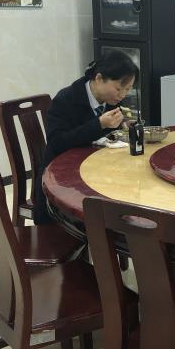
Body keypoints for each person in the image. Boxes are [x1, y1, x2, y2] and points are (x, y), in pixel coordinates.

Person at [33, 50, 139, 224]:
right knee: (108, 219)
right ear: (99, 78)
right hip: (62, 185)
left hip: (95, 174)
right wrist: (99, 125)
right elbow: (57, 142)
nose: (122, 95)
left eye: (127, 89)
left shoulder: (110, 100)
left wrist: (123, 124)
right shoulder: (66, 100)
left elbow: (105, 135)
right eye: (119, 88)